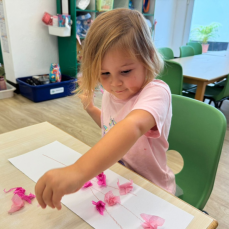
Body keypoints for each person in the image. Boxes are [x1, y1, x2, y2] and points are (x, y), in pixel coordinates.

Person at [35, 8, 176, 210]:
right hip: (121, 180)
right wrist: (92, 109)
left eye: (125, 71)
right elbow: (114, 126)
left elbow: (132, 127)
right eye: (104, 73)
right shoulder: (111, 93)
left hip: (153, 190)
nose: (115, 83)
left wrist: (78, 170)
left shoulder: (156, 93)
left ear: (149, 57)